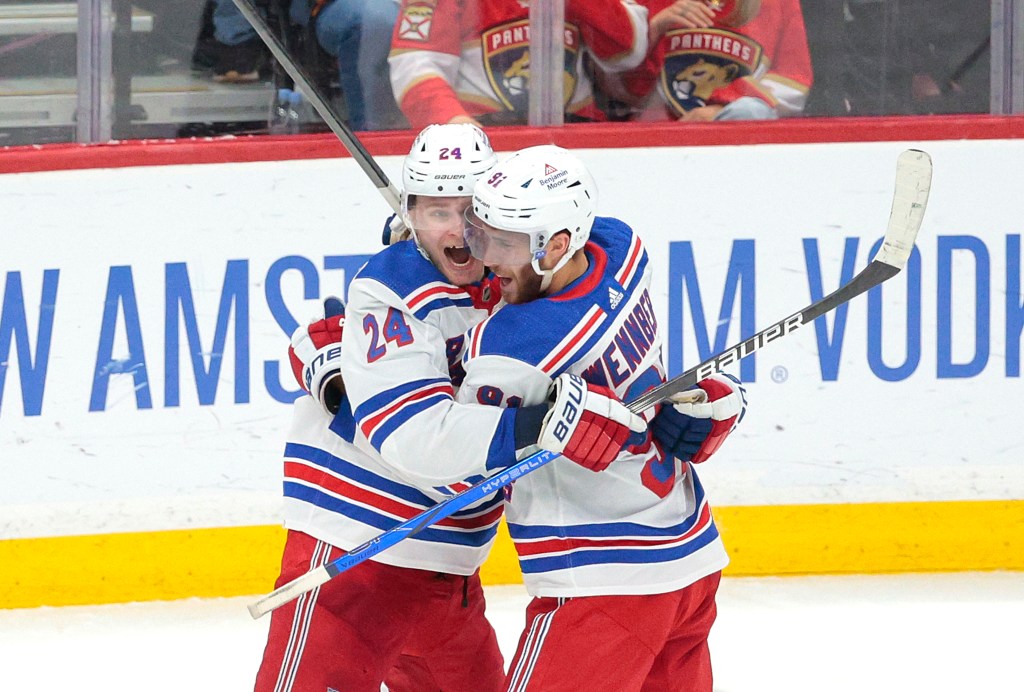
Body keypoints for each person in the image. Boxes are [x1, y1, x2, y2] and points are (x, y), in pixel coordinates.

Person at [344, 143, 747, 690]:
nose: (484, 258)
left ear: (557, 246)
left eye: (503, 243)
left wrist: (530, 427)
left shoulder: (511, 349)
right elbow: (635, 368)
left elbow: (448, 460)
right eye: (480, 232)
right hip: (691, 562)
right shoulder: (621, 251)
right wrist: (709, 397)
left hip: (604, 580)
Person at [253, 123, 508, 692]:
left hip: (450, 568)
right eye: (438, 211)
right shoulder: (392, 286)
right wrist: (331, 370)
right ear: (411, 213)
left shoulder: (520, 281)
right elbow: (314, 340)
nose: (458, 227)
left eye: (470, 208)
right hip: (353, 553)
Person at [387, 0, 651, 129]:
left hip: (575, 136)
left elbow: (630, 50)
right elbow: (414, 67)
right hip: (484, 139)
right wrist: (454, 123)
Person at [606, 0, 812, 122]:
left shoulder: (778, 4)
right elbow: (614, 86)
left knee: (751, 111)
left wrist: (721, 109)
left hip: (736, 142)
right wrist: (655, 29)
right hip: (655, 139)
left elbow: (792, 82)